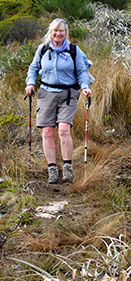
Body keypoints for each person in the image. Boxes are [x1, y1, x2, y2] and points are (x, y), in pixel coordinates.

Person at [25, 18, 92, 184]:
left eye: (61, 31)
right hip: (46, 93)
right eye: (55, 30)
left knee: (63, 130)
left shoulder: (74, 51)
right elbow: (33, 69)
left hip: (68, 94)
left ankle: (68, 168)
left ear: (65, 33)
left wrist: (85, 87)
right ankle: (52, 169)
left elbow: (82, 72)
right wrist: (30, 83)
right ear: (51, 32)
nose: (58, 34)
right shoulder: (42, 50)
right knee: (47, 131)